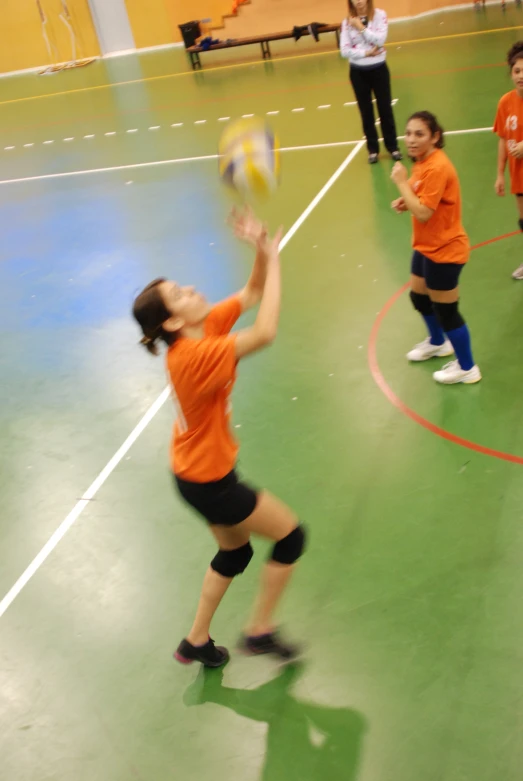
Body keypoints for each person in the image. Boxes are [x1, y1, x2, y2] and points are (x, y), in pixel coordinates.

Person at [132, 207, 306, 668]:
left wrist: (260, 252)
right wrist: (278, 260)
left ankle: (195, 641)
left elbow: (252, 292)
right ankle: (259, 630)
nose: (191, 289)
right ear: (171, 322)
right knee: (291, 538)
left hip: (193, 473)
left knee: (235, 553)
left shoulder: (204, 325)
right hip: (211, 481)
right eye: (179, 293)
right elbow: (265, 331)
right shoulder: (191, 356)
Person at [390, 111, 482, 385]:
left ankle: (468, 368)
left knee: (447, 311)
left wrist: (401, 183)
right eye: (408, 133)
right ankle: (438, 342)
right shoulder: (422, 162)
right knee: (419, 298)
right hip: (426, 246)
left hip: (445, 250)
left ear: (435, 137)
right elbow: (424, 197)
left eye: (419, 134)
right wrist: (405, 198)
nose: (412, 140)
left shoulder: (438, 166)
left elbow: (424, 213)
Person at [340, 0, 402, 164]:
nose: (359, 1)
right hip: (358, 73)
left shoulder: (380, 15)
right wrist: (366, 53)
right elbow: (345, 51)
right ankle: (372, 150)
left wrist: (360, 27)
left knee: (385, 109)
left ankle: (393, 147)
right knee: (366, 112)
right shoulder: (346, 23)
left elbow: (380, 40)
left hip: (379, 69)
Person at [494, 40, 523, 280]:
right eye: (517, 71)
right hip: (518, 174)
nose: (521, 76)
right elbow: (503, 138)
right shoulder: (505, 102)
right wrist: (500, 174)